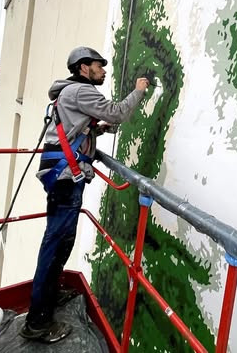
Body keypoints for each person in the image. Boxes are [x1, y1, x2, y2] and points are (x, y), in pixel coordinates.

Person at [20, 46, 149, 343]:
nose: (103, 70)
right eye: (98, 66)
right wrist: (139, 90)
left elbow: (74, 128)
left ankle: (50, 295)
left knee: (62, 240)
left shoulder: (69, 92)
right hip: (66, 176)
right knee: (55, 244)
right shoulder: (81, 90)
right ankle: (37, 321)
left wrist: (97, 130)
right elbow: (117, 112)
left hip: (62, 174)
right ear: (82, 67)